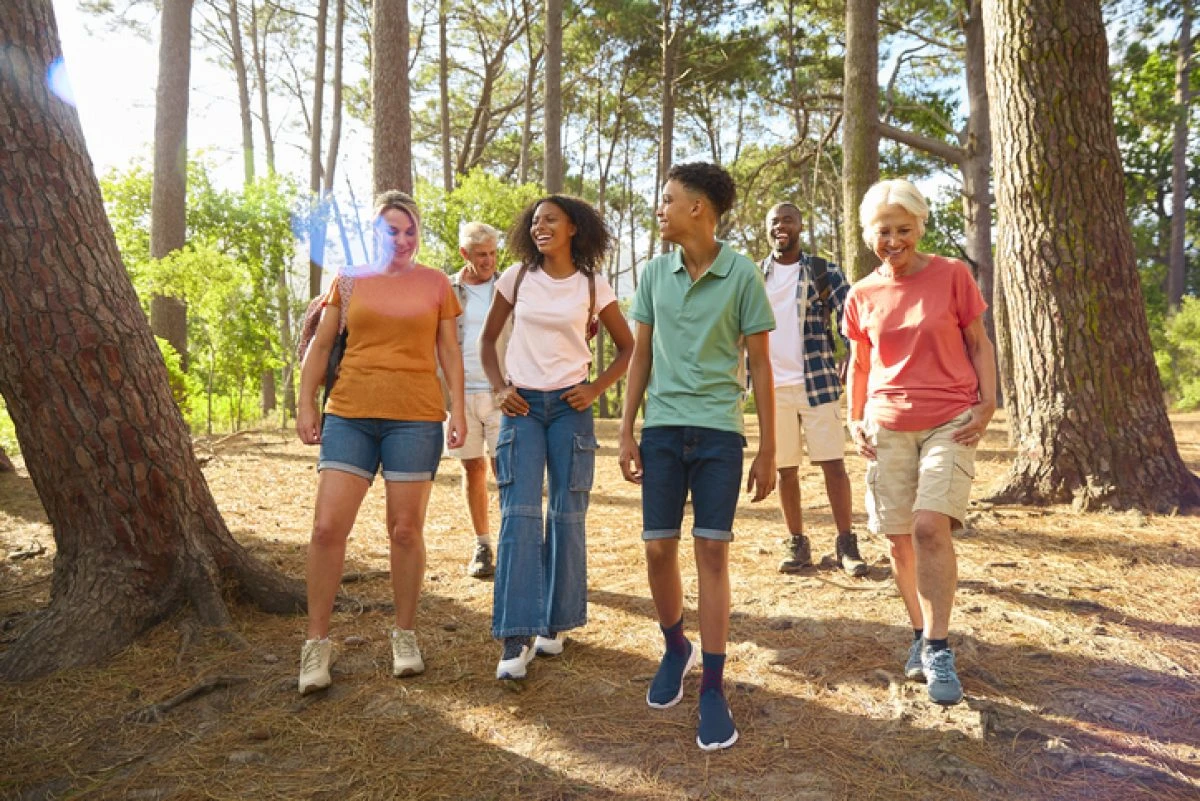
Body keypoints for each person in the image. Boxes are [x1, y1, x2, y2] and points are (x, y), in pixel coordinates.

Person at [619, 162, 777, 751]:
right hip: (661, 429)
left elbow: (760, 365)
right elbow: (640, 356)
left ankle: (713, 684)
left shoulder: (741, 276)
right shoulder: (654, 274)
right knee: (659, 547)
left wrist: (768, 447)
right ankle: (675, 647)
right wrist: (627, 429)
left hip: (718, 433)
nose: (659, 209)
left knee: (712, 551)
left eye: (667, 199)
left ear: (699, 210)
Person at [295, 190, 466, 695]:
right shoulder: (349, 280)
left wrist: (457, 406)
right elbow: (322, 345)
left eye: (410, 230)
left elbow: (449, 350)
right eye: (392, 230)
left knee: (406, 531)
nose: (403, 239)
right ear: (374, 232)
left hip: (414, 417)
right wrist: (306, 403)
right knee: (328, 529)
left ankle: (406, 635)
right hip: (350, 413)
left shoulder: (435, 283)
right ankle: (316, 642)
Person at [843, 179, 997, 706]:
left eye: (903, 229)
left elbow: (979, 342)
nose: (894, 241)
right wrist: (853, 416)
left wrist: (989, 402)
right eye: (884, 231)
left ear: (919, 227)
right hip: (886, 424)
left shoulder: (952, 275)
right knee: (897, 539)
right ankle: (917, 632)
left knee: (930, 527)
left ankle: (937, 646)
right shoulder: (862, 293)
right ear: (870, 235)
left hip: (950, 421)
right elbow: (860, 363)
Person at [479, 194, 633, 682]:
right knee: (519, 514)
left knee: (566, 514)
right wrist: (500, 388)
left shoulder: (592, 285)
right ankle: (515, 635)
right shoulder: (516, 278)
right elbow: (487, 341)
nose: (540, 226)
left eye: (551, 220)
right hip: (523, 407)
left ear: (573, 229)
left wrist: (596, 388)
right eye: (535, 220)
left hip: (570, 409)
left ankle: (555, 623)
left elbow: (629, 348)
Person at [759, 202, 867, 577]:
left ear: (800, 226)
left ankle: (846, 543)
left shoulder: (823, 270)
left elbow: (852, 315)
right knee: (786, 470)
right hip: (773, 388)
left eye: (787, 219)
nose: (780, 227)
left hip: (817, 381)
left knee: (833, 465)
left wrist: (848, 353)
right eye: (774, 222)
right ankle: (797, 542)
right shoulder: (757, 276)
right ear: (767, 229)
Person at [446, 222, 512, 579]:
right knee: (472, 468)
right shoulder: (448, 289)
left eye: (492, 254)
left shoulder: (508, 287)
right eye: (480, 255)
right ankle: (483, 544)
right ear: (464, 255)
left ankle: (513, 543)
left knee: (506, 470)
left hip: (500, 393)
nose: (488, 261)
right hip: (460, 395)